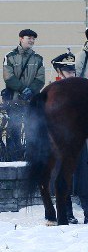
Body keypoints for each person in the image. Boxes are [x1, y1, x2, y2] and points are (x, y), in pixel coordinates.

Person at [50, 51, 88, 224]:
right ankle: (66, 212)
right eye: (68, 71)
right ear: (59, 72)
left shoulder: (78, 91)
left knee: (83, 177)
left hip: (78, 140)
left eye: (73, 70)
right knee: (63, 175)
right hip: (61, 143)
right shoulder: (54, 92)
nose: (72, 74)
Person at [2, 29, 45, 160]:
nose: (31, 40)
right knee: (13, 129)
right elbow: (8, 77)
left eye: (33, 38)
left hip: (31, 101)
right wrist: (23, 90)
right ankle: (14, 157)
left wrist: (30, 91)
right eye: (29, 38)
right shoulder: (10, 56)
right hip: (14, 100)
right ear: (21, 38)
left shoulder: (38, 58)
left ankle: (30, 156)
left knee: (31, 129)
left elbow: (40, 79)